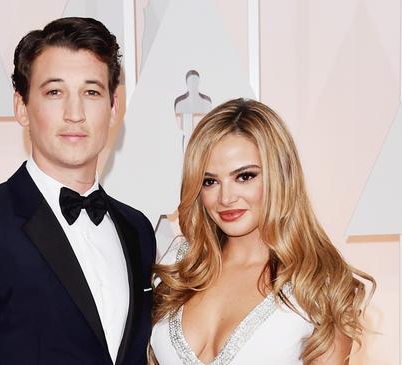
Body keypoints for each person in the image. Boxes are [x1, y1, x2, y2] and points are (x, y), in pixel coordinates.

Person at [0, 17, 156, 365]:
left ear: (114, 108)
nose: (74, 114)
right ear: (21, 107)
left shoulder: (137, 229)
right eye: (55, 92)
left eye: (91, 92)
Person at [150, 98, 374, 364]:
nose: (226, 197)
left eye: (244, 176)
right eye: (210, 181)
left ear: (280, 176)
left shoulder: (318, 284)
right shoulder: (178, 265)